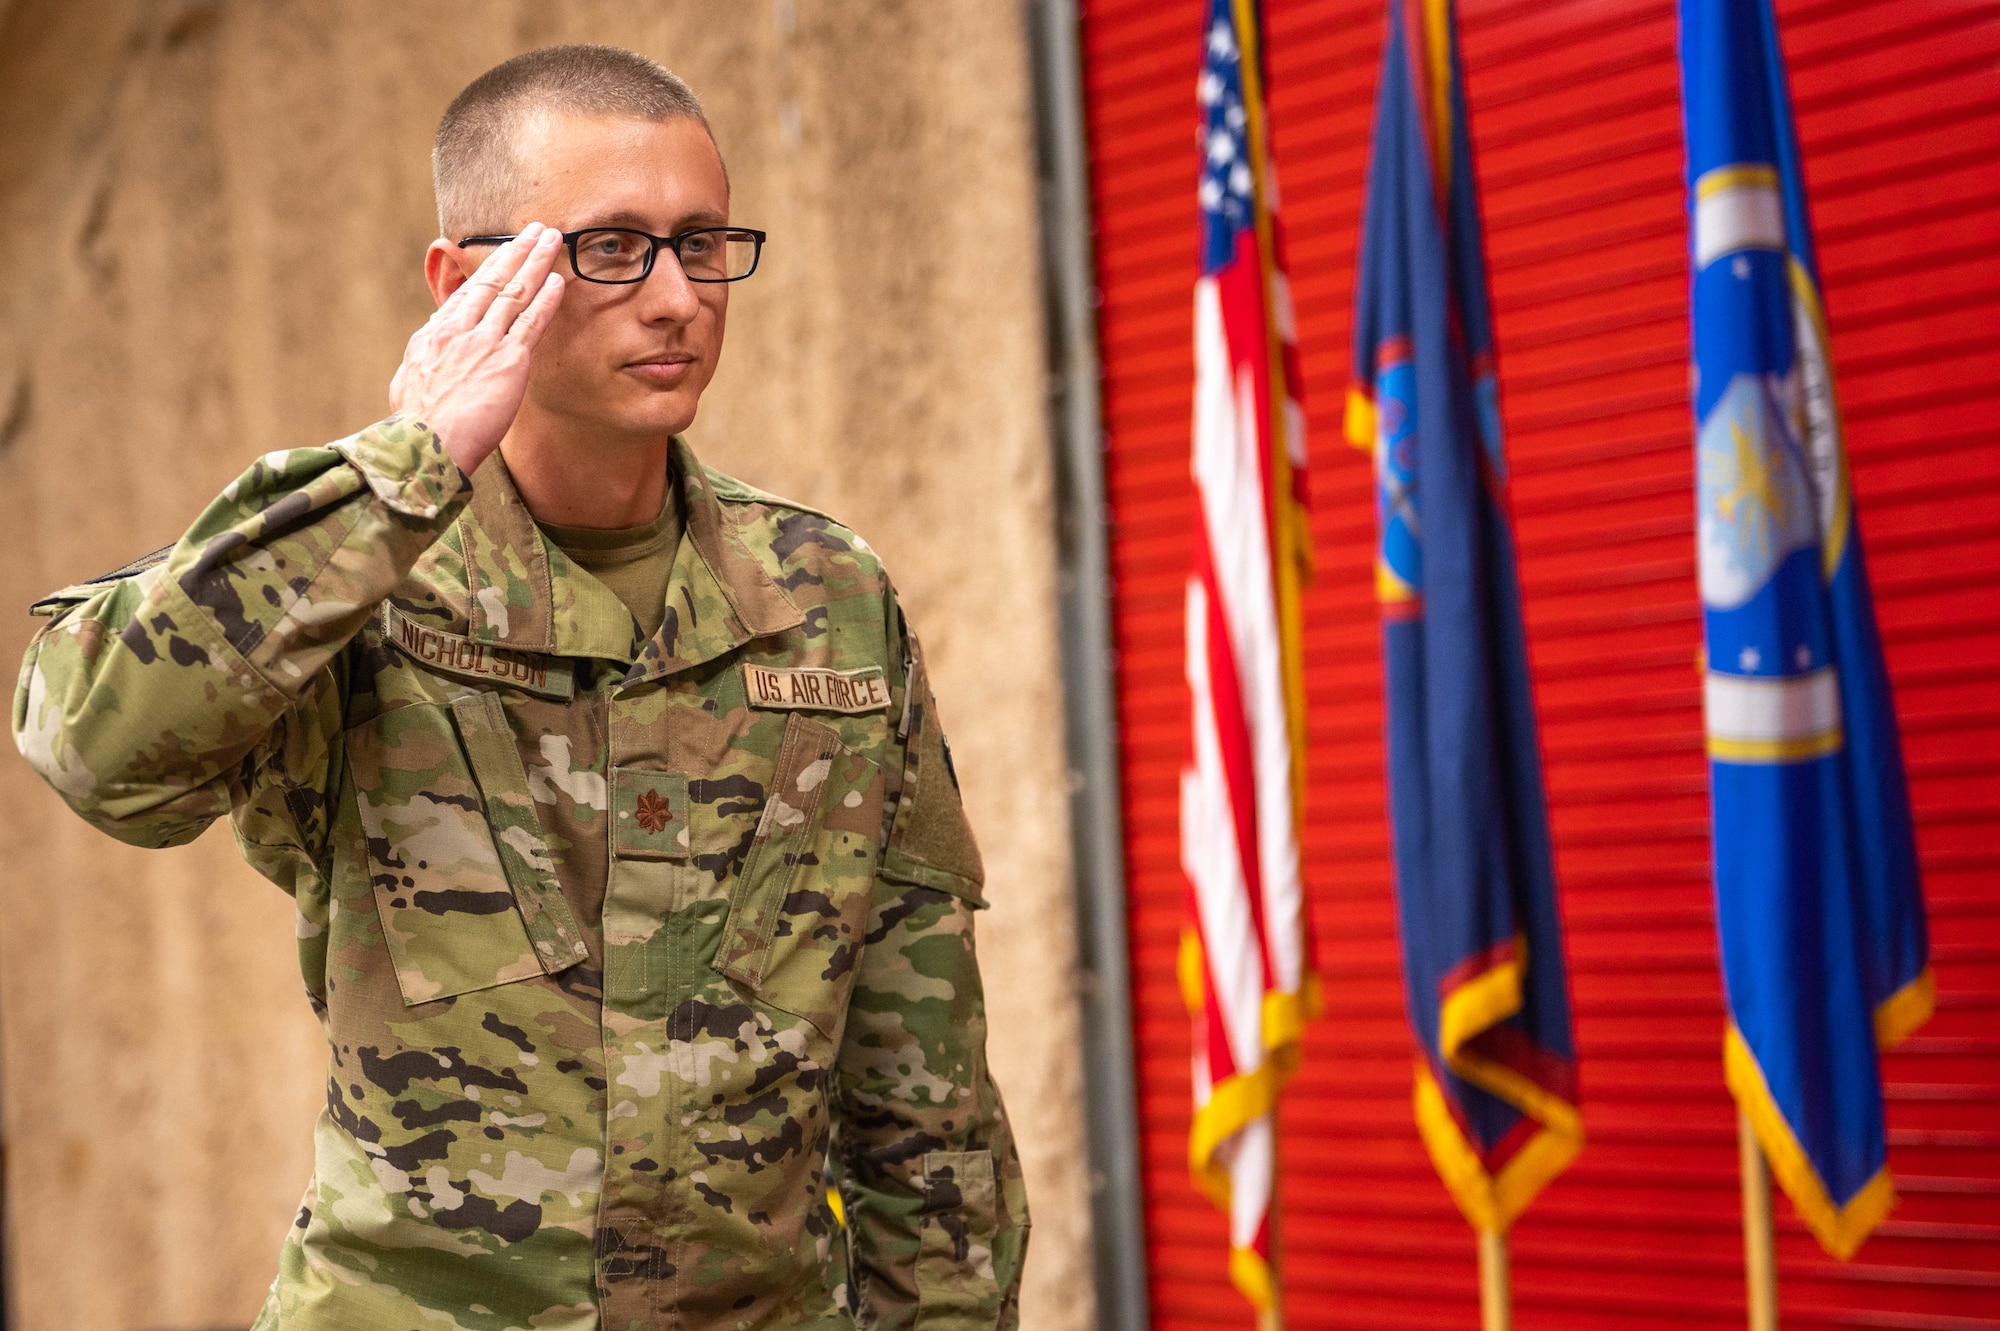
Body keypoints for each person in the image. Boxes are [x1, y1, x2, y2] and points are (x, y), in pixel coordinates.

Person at [12, 44, 1026, 1331]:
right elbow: (94, 747)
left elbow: (921, 1082)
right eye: (610, 247)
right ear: (464, 280)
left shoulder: (824, 597)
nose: (674, 298)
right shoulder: (358, 579)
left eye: (701, 242)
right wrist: (403, 467)